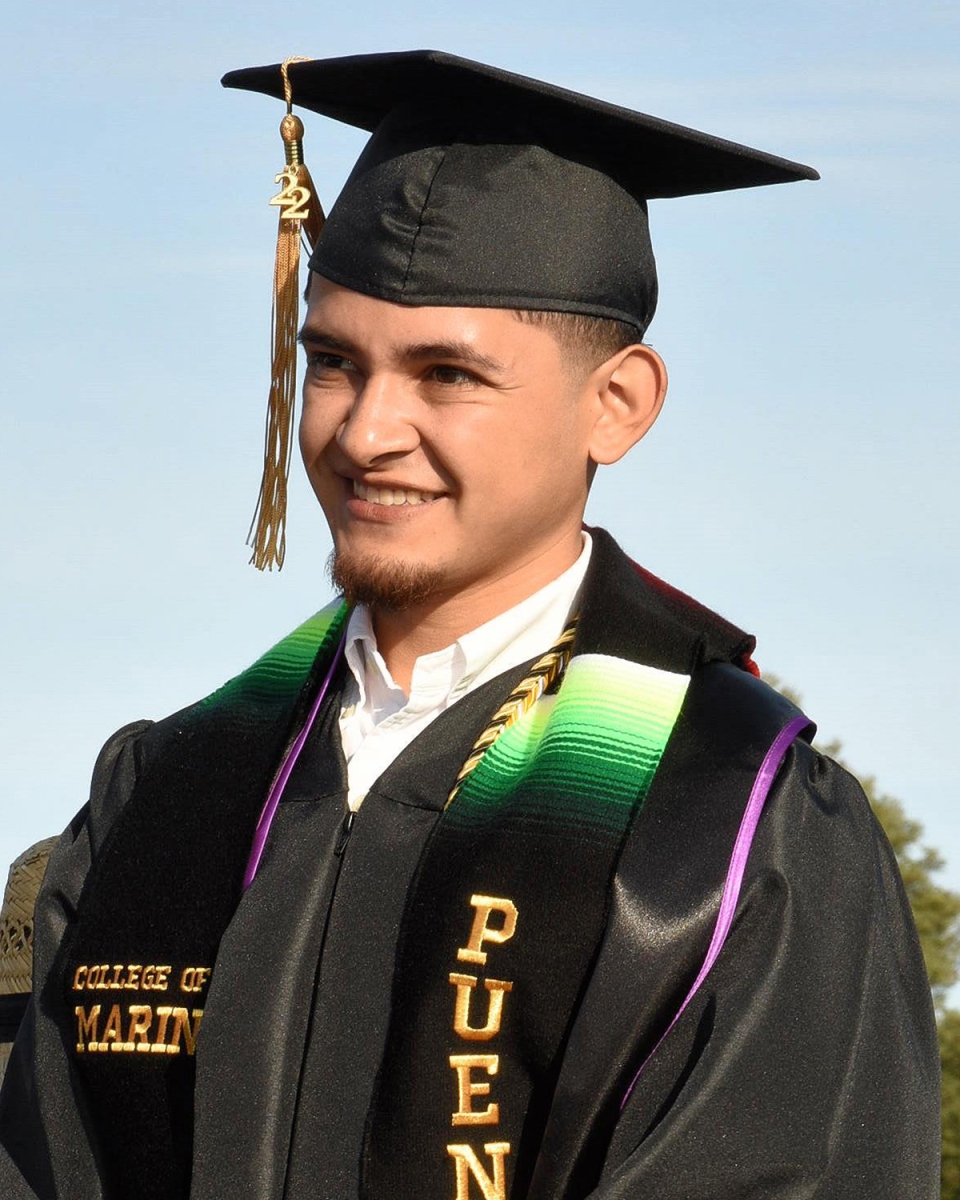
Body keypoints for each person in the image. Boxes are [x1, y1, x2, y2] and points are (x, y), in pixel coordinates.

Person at [0, 49, 940, 1200]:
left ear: (618, 404)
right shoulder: (164, 798)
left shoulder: (728, 831)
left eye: (447, 375)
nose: (365, 432)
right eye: (335, 364)